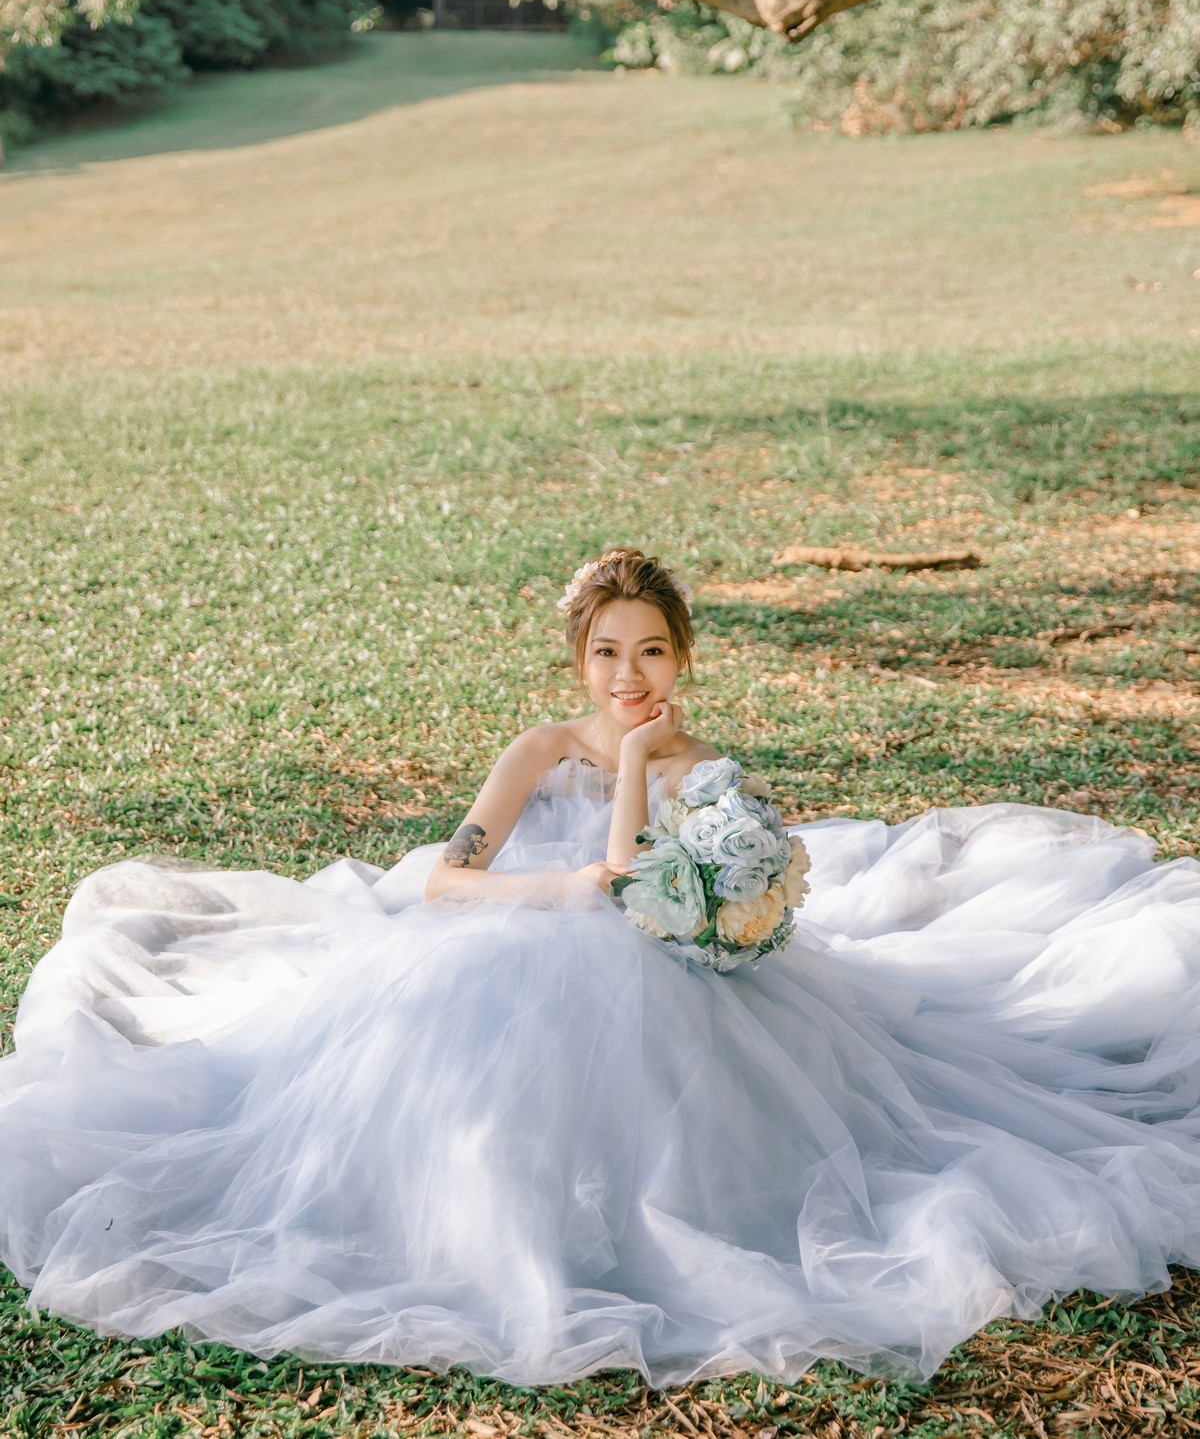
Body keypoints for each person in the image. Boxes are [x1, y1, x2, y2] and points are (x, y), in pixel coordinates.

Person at [3, 545, 1200, 1389]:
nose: (632, 676)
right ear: (579, 655)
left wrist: (634, 765)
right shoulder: (537, 748)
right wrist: (549, 888)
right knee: (479, 1041)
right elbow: (447, 881)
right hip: (511, 939)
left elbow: (636, 879)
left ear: (684, 659)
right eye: (610, 652)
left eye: (654, 652)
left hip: (663, 971)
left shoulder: (699, 765)